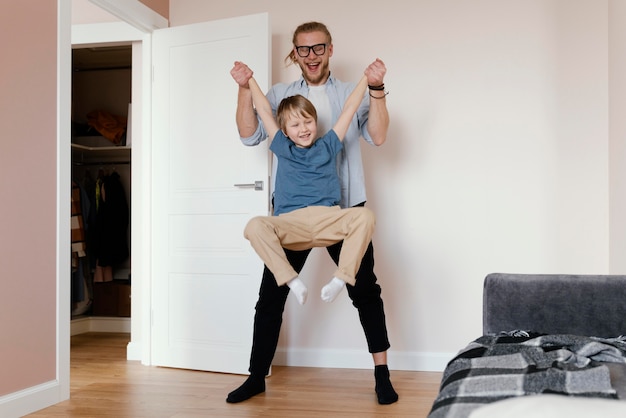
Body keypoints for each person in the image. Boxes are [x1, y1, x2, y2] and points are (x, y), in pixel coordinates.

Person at [227, 21, 397, 405]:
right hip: (289, 218)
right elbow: (250, 131)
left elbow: (377, 133)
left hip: (342, 209)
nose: (312, 55)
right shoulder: (280, 97)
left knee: (365, 292)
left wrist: (374, 85)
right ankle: (256, 376)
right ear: (295, 53)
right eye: (303, 49)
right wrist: (245, 84)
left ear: (330, 49)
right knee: (269, 298)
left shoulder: (340, 102)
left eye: (318, 47)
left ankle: (382, 375)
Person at [243, 70, 373, 305]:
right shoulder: (282, 147)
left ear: (316, 122)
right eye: (295, 124)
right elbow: (263, 109)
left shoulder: (328, 145)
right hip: (292, 224)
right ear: (284, 131)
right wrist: (249, 80)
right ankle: (291, 280)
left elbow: (349, 109)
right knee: (254, 226)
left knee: (365, 216)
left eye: (308, 121)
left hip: (328, 220)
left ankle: (341, 280)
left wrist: (366, 78)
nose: (303, 129)